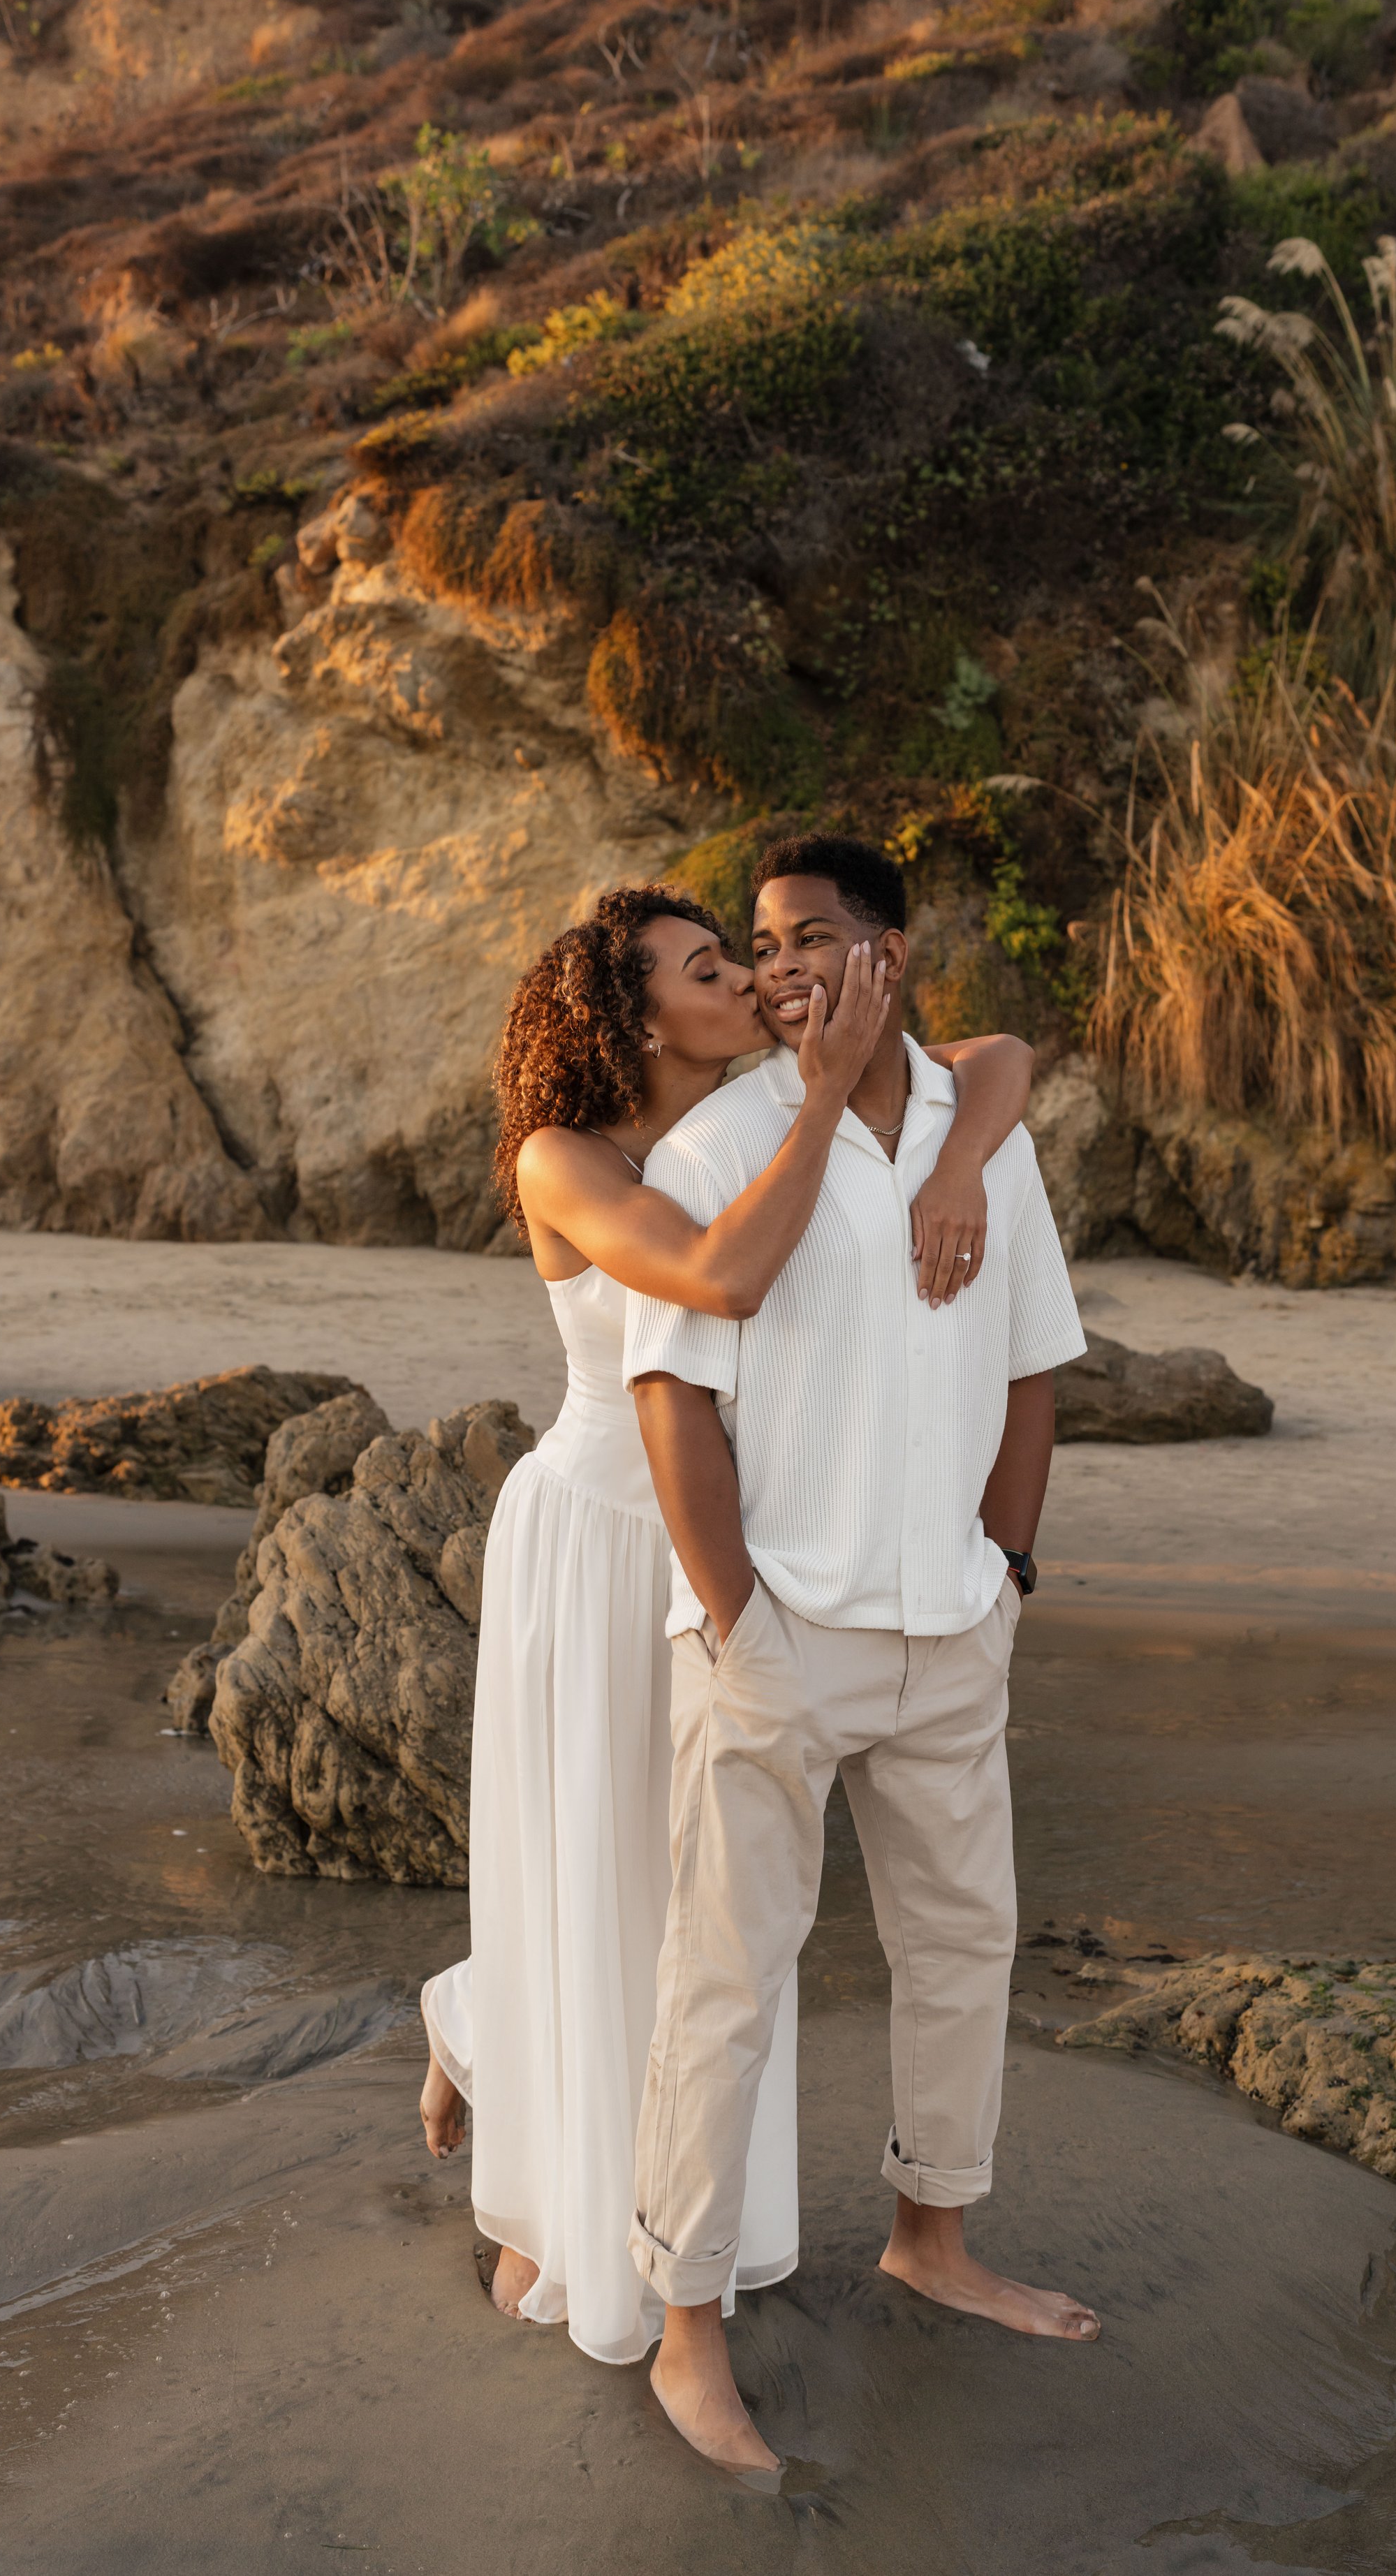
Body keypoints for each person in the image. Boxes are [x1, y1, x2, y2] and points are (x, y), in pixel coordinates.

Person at [416, 881, 1039, 2369]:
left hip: (725, 1544)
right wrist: (822, 1105)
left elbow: (1001, 1060)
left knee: (688, 1904)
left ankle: (484, 2034)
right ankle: (546, 2174)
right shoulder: (567, 1157)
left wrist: (929, 1139)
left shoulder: (751, 1116)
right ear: (632, 1018)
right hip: (599, 1536)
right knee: (616, 1880)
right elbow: (716, 1279)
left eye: (756, 955)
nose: (752, 983)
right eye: (712, 968)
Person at [621, 834, 1102, 2473]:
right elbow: (668, 1394)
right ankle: (688, 2333)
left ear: (891, 955)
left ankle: (932, 2238)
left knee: (966, 1946)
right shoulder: (718, 1146)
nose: (777, 970)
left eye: (810, 937)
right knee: (724, 1983)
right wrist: (735, 1616)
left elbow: (1033, 1366)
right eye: (758, 948)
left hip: (951, 1623)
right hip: (781, 1633)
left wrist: (1010, 1568)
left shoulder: (989, 1142)